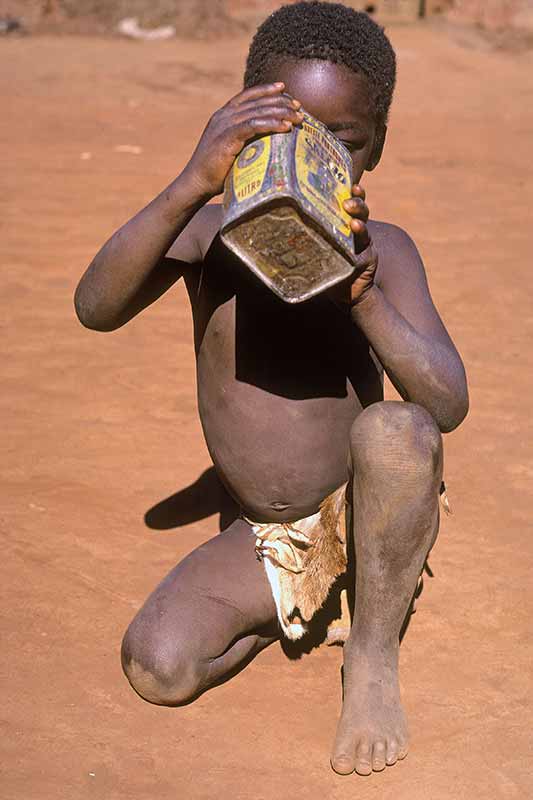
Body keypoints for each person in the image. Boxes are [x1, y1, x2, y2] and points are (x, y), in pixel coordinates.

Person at [74, 1, 468, 777]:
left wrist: (363, 298)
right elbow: (96, 307)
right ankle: (310, 598)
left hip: (363, 508)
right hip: (274, 537)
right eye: (287, 133)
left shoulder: (384, 250)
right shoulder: (204, 233)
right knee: (159, 666)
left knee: (398, 432)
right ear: (240, 125)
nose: (315, 155)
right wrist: (192, 182)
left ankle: (371, 652)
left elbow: (446, 404)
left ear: (378, 144)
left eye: (343, 141)